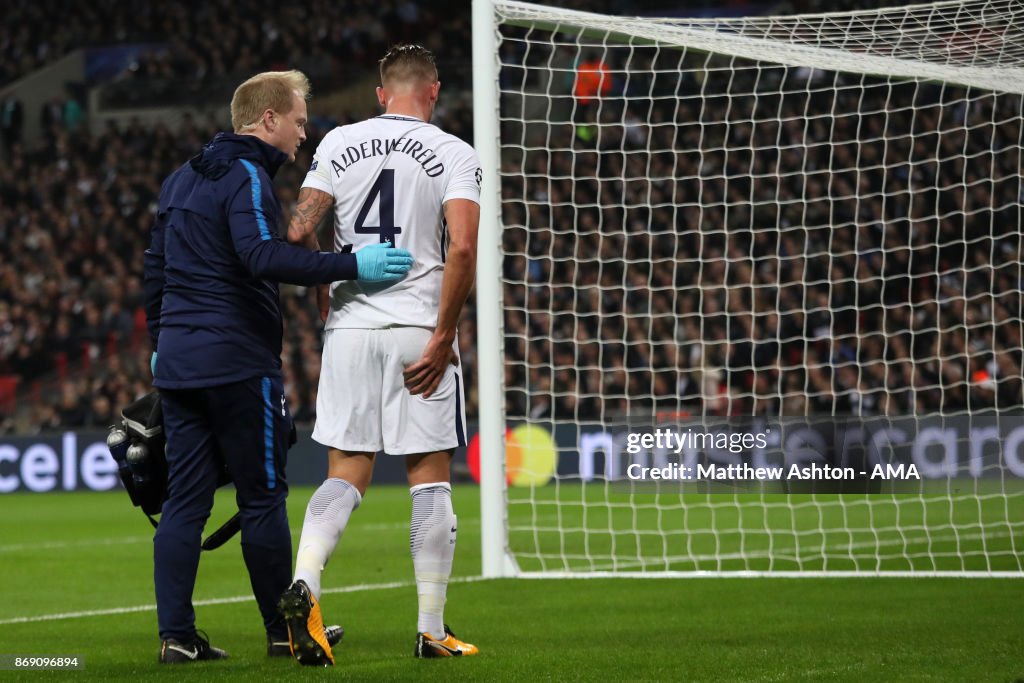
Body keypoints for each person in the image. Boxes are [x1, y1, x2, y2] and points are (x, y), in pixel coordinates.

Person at [142, 69, 414, 664]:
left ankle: (177, 638)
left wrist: (161, 341)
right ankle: (283, 630)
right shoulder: (244, 175)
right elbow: (261, 256)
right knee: (262, 499)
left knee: (185, 503)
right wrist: (351, 265)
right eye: (297, 121)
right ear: (267, 120)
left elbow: (155, 270)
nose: (302, 133)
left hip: (181, 369)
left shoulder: (180, 177)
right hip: (238, 363)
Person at [278, 44, 481, 666]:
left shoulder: (337, 144)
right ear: (434, 91)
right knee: (428, 479)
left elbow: (296, 231)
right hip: (417, 330)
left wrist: (324, 289)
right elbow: (464, 249)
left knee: (345, 470)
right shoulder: (453, 152)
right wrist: (444, 337)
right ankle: (430, 628)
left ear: (379, 94)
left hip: (350, 331)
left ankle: (306, 586)